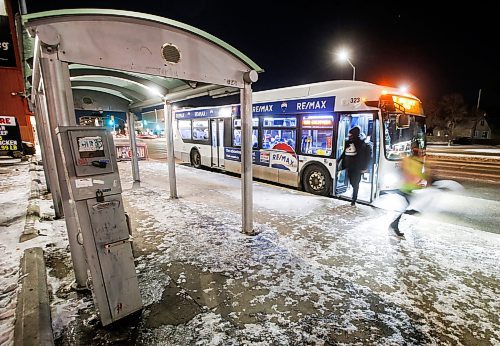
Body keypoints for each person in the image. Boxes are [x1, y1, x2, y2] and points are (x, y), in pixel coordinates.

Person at [388, 147, 430, 237]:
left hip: (408, 188)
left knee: (409, 208)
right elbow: (414, 176)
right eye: (421, 153)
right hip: (408, 189)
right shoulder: (416, 163)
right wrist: (420, 181)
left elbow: (414, 175)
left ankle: (396, 224)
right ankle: (395, 224)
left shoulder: (412, 161)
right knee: (408, 208)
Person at [339, 126, 372, 206]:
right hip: (348, 166)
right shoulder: (347, 142)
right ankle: (353, 194)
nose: (349, 136)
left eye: (350, 134)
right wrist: (339, 160)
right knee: (351, 182)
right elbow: (344, 153)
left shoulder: (362, 143)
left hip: (357, 167)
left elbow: (367, 156)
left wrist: (365, 167)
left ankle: (354, 199)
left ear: (354, 134)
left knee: (355, 183)